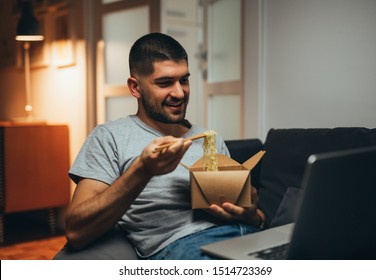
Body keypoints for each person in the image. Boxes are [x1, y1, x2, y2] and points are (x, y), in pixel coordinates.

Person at [65, 32, 265, 260]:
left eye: (184, 80)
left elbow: (255, 216)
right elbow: (76, 231)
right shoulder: (110, 137)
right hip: (186, 248)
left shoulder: (209, 139)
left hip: (248, 238)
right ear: (135, 88)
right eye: (165, 83)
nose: (179, 93)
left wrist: (252, 217)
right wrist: (143, 169)